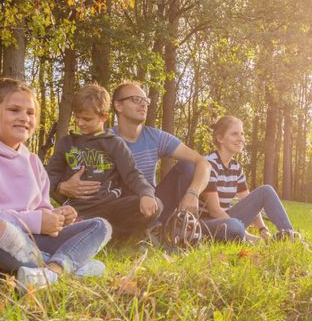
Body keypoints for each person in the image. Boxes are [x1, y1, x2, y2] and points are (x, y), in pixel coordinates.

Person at [0, 78, 111, 291]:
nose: (24, 118)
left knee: (99, 226)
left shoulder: (33, 162)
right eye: (14, 110)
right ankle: (69, 265)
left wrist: (58, 216)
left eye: (30, 113)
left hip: (25, 243)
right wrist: (34, 221)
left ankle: (50, 272)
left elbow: (40, 211)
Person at [54, 80, 211, 225]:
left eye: (145, 101)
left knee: (188, 166)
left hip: (150, 201)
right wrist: (61, 187)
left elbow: (203, 162)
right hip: (117, 206)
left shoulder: (156, 137)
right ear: (118, 106)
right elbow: (68, 178)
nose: (143, 105)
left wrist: (193, 193)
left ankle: (180, 226)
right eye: (136, 99)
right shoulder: (101, 141)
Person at [45, 84, 162, 239]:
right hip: (76, 210)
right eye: (77, 117)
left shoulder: (114, 143)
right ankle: (94, 232)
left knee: (156, 205)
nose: (80, 123)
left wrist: (146, 194)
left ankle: (111, 235)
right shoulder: (67, 143)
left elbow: (132, 174)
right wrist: (60, 187)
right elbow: (47, 177)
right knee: (54, 224)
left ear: (104, 117)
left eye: (87, 119)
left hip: (110, 208)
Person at [199, 115, 302, 242]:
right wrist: (247, 236)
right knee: (235, 226)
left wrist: (262, 229)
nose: (240, 139)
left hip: (229, 221)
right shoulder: (209, 164)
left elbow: (250, 202)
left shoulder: (236, 168)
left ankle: (289, 235)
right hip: (208, 224)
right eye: (234, 134)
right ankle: (239, 234)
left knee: (266, 191)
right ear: (220, 138)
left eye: (242, 134)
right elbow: (214, 211)